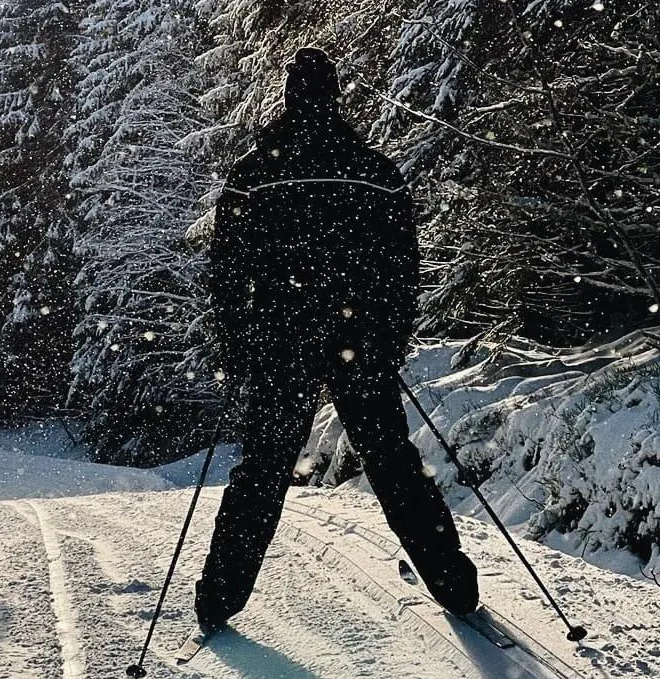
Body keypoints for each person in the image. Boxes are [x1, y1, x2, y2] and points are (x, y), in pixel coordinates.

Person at [195, 48, 478, 634]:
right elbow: (403, 268)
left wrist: (239, 343)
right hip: (360, 340)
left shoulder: (253, 174)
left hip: (282, 340)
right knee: (394, 462)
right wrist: (389, 338)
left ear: (288, 95)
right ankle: (455, 587)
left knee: (263, 470)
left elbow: (226, 269)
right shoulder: (375, 171)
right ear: (334, 96)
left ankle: (219, 599)